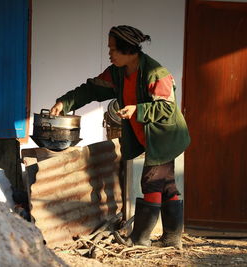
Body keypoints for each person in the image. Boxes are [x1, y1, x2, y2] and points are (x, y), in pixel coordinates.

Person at [50, 25, 190, 249]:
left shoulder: (156, 73)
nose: (110, 53)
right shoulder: (117, 72)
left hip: (164, 138)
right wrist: (64, 103)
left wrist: (138, 110)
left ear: (128, 50)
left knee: (151, 181)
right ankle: (172, 239)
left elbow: (166, 108)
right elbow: (91, 90)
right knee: (167, 186)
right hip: (147, 136)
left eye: (114, 49)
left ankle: (140, 239)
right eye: (109, 48)